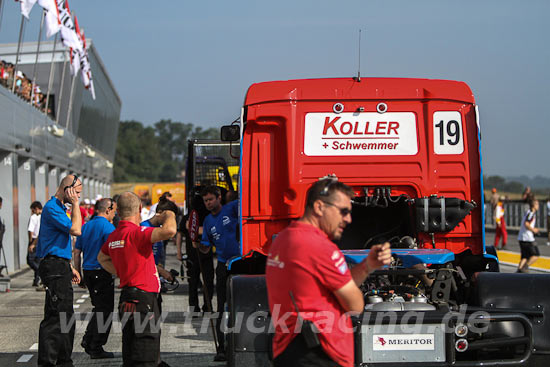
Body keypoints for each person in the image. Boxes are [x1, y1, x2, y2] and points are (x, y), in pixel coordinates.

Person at [266, 178, 392, 367]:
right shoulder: (319, 247)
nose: (348, 219)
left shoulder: (283, 239)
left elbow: (328, 287)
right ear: (319, 207)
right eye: (343, 211)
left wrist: (367, 266)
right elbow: (355, 305)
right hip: (319, 352)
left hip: (290, 347)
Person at [98, 192, 177, 367]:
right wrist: (169, 214)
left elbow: (101, 258)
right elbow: (170, 231)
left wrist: (123, 272)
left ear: (118, 212)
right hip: (143, 300)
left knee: (131, 350)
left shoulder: (114, 236)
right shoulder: (138, 233)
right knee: (145, 354)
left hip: (127, 297)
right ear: (140, 209)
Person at [36, 174, 83, 367]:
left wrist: (70, 266)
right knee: (56, 316)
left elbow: (55, 241)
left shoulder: (59, 208)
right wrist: (76, 205)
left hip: (60, 264)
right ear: (68, 190)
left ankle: (64, 359)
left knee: (65, 314)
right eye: (76, 193)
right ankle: (48, 361)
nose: (78, 197)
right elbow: (76, 230)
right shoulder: (52, 208)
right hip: (54, 266)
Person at [197, 185, 240, 361]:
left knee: (239, 304)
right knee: (221, 306)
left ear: (219, 198)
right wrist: (198, 243)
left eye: (210, 199)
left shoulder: (233, 207)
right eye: (205, 201)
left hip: (240, 262)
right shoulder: (207, 221)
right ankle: (221, 348)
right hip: (222, 266)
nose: (208, 203)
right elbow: (206, 248)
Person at [73, 198, 117, 359]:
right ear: (107, 210)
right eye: (114, 211)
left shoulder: (85, 226)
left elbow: (77, 252)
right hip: (102, 272)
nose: (115, 214)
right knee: (105, 311)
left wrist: (78, 273)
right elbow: (112, 254)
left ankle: (89, 339)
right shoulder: (109, 228)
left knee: (98, 307)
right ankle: (96, 346)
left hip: (88, 272)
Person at [176, 191, 214, 315]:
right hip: (203, 254)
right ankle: (206, 307)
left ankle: (195, 308)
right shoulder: (207, 216)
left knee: (194, 283)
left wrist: (179, 252)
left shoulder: (189, 217)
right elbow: (181, 233)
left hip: (195, 254)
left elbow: (180, 234)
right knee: (206, 283)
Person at [140, 197, 179, 291]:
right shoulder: (144, 228)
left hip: (154, 277)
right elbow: (141, 259)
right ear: (160, 212)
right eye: (169, 217)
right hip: (144, 280)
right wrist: (162, 271)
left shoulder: (159, 229)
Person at [517, 199, 540, 273]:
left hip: (522, 237)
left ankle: (519, 271)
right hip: (527, 238)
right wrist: (533, 230)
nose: (538, 206)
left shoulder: (528, 212)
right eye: (537, 204)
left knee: (524, 256)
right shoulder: (531, 213)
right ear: (534, 205)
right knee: (536, 254)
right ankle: (525, 267)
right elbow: (526, 224)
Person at [27, 201, 43, 287]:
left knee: (30, 260)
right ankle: (36, 279)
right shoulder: (43, 217)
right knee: (37, 260)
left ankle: (39, 272)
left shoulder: (33, 217)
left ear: (36, 209)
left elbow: (31, 230)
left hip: (34, 239)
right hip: (40, 239)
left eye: (32, 210)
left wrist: (31, 242)